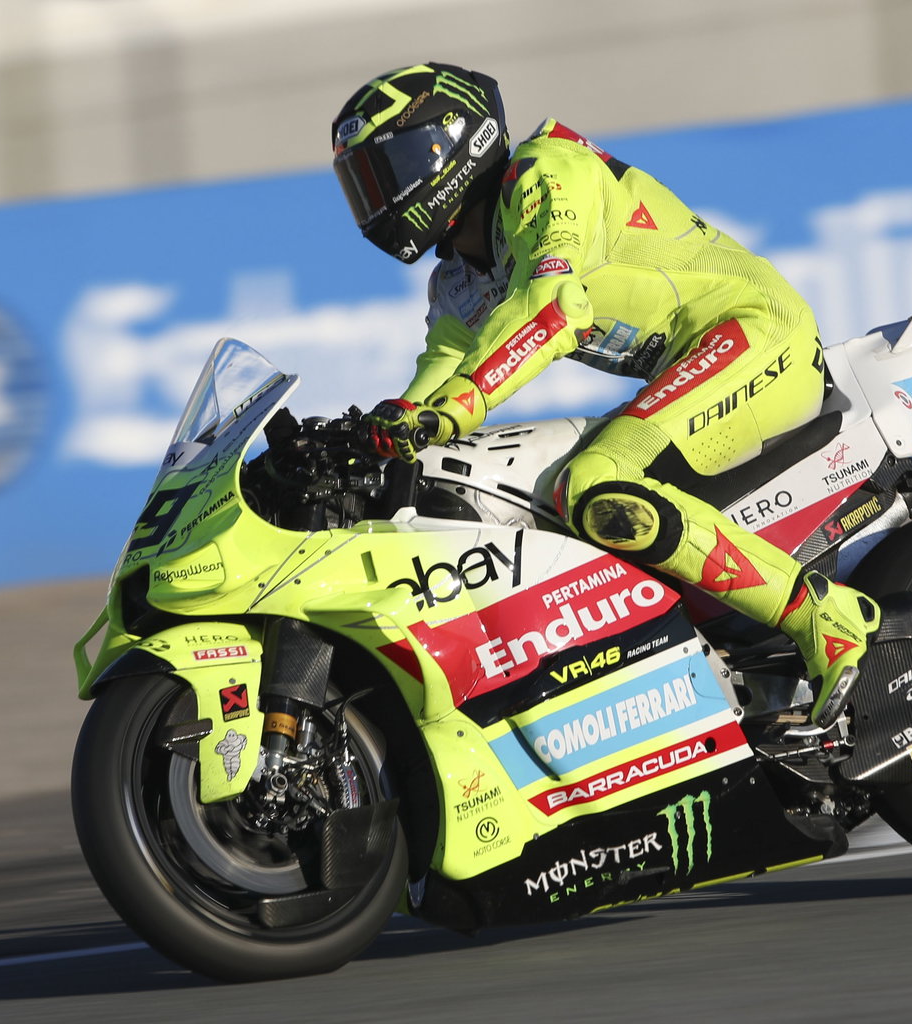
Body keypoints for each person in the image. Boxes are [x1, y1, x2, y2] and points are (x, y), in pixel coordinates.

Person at [333, 62, 880, 726]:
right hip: (695, 363)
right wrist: (376, 436)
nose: (377, 200)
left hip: (753, 334)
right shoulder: (456, 281)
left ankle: (828, 618)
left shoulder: (543, 175)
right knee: (557, 505)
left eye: (385, 173)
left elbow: (552, 307)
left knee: (594, 484)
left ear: (450, 146)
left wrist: (457, 406)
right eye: (361, 186)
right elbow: (440, 369)